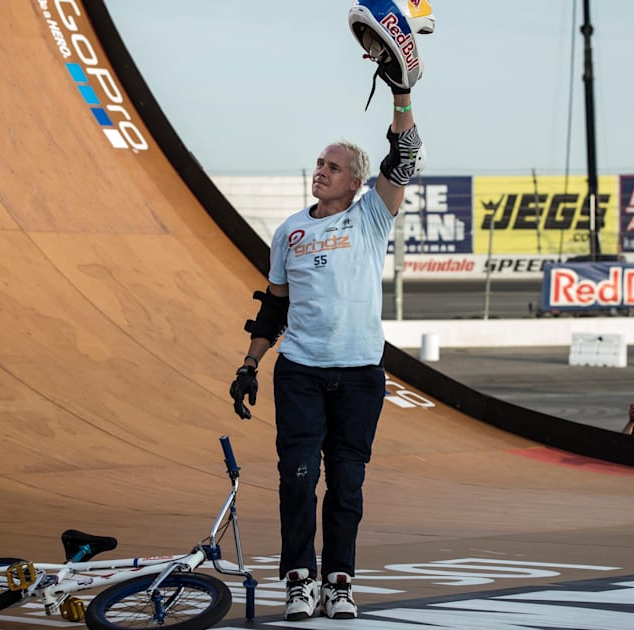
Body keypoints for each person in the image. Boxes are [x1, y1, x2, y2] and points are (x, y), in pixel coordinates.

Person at [226, 10, 428, 618]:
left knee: (346, 485)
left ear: (356, 181)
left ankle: (339, 581)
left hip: (362, 374)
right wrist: (249, 365)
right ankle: (299, 580)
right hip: (302, 372)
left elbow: (407, 153)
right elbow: (274, 306)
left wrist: (400, 92)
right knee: (295, 478)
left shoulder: (370, 215)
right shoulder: (288, 231)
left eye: (333, 166)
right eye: (318, 164)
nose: (321, 171)